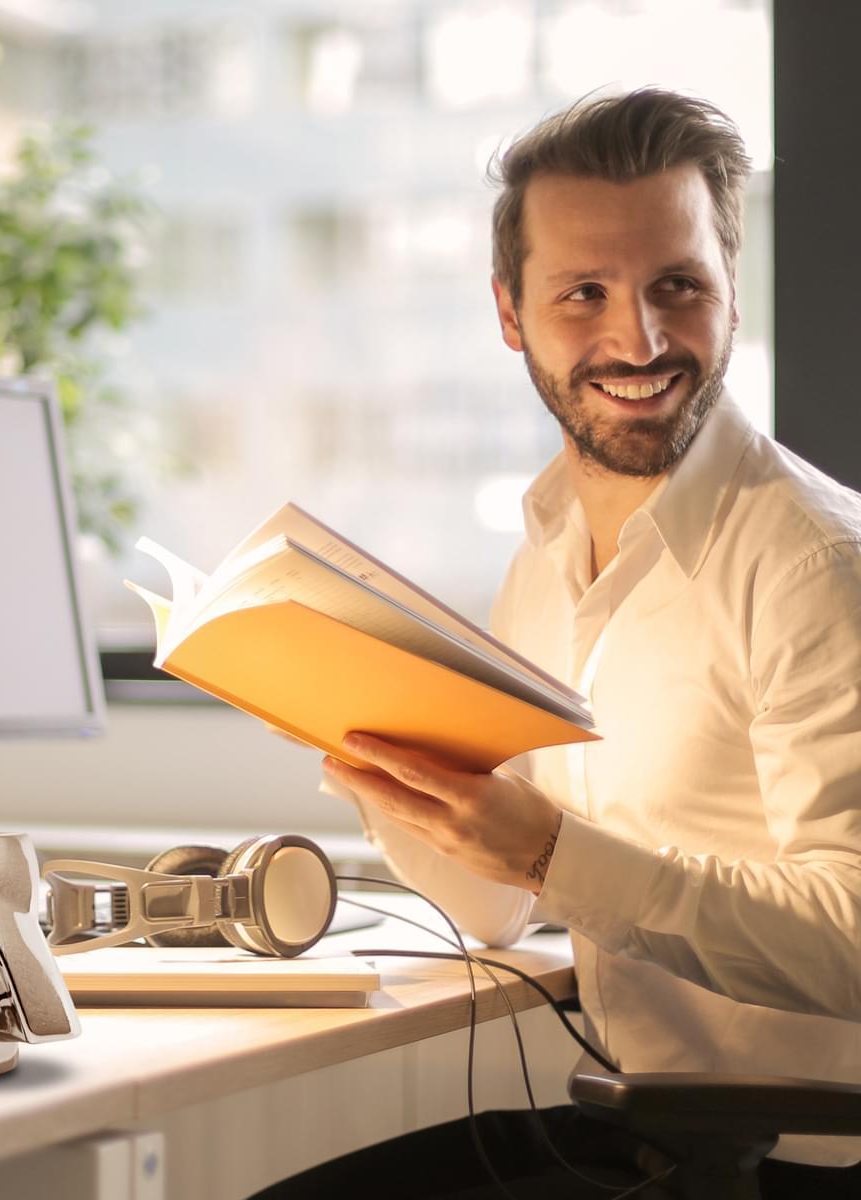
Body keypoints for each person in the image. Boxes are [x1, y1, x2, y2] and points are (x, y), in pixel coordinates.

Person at [267, 89, 861, 1198]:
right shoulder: (545, 555)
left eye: (677, 286)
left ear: (731, 291)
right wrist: (372, 753)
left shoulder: (815, 564)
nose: (638, 340)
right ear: (511, 313)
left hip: (798, 1161)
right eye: (584, 293)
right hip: (644, 1132)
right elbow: (493, 909)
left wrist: (554, 854)